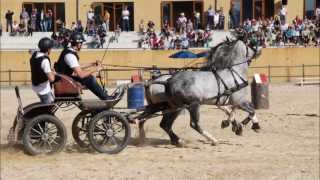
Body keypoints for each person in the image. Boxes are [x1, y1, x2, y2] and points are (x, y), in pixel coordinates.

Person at [54, 32, 113, 100]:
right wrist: (96, 69)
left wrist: (92, 64)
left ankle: (104, 94)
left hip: (65, 77)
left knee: (88, 75)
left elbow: (77, 66)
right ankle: (105, 97)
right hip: (65, 80)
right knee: (90, 78)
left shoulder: (68, 50)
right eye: (81, 43)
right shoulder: (70, 56)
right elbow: (81, 75)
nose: (81, 45)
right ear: (78, 43)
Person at [30, 37, 55, 103]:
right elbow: (52, 79)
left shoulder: (35, 54)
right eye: (50, 48)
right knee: (49, 106)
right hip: (43, 89)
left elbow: (30, 51)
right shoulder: (45, 61)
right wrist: (54, 72)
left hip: (35, 85)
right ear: (48, 49)